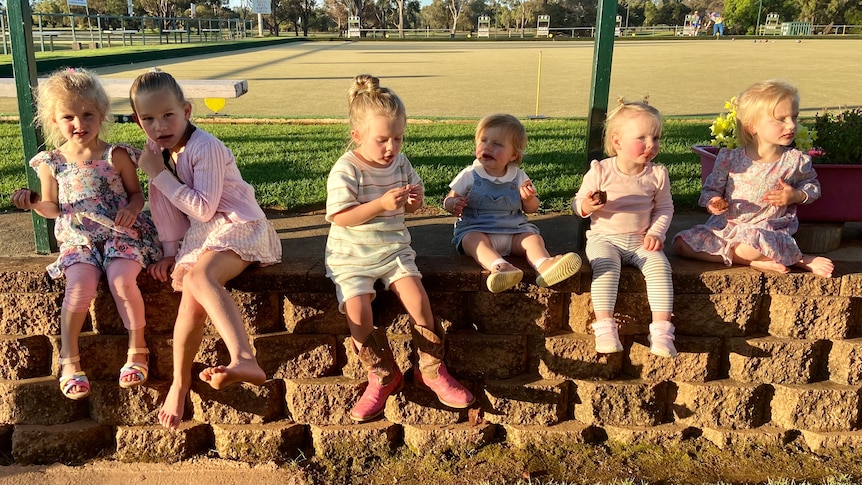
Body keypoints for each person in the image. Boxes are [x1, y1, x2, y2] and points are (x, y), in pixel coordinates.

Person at [130, 69, 282, 430]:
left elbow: (203, 207)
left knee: (201, 276)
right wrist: (171, 251)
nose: (160, 125)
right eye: (148, 118)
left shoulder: (206, 147)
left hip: (240, 226)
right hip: (203, 236)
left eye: (168, 115)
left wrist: (158, 174)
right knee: (189, 307)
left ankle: (244, 357)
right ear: (138, 121)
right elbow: (165, 207)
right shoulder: (157, 151)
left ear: (187, 110)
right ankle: (180, 384)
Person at [325, 74, 474, 422]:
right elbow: (341, 217)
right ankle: (382, 374)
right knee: (358, 312)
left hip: (393, 250)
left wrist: (413, 201)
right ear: (357, 136)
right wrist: (380, 204)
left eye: (398, 137)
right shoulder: (347, 168)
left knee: (418, 300)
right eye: (382, 140)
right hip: (352, 256)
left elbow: (410, 206)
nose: (392, 147)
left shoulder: (401, 164)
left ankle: (431, 369)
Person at [11, 67, 162, 399]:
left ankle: (137, 349)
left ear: (101, 114)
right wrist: (35, 203)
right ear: (54, 120)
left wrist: (132, 209)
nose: (79, 124)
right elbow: (52, 207)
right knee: (79, 287)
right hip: (79, 238)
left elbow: (137, 194)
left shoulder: (115, 155)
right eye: (68, 117)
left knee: (122, 280)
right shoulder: (52, 162)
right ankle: (69, 359)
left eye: (87, 114)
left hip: (120, 234)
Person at [673, 80, 833, 279]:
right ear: (751, 127)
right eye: (781, 119)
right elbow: (711, 189)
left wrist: (796, 195)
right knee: (681, 243)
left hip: (765, 231)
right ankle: (755, 262)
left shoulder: (794, 161)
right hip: (726, 228)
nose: (791, 125)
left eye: (794, 117)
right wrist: (713, 202)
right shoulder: (730, 158)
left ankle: (801, 259)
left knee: (752, 247)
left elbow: (813, 187)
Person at [573, 101, 677, 358]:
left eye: (656, 137)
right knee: (606, 267)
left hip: (641, 239)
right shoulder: (601, 170)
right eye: (641, 138)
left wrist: (655, 233)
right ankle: (605, 326)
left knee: (661, 268)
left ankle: (662, 330)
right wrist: (587, 205)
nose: (651, 144)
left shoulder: (657, 175)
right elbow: (578, 202)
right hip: (604, 238)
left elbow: (665, 208)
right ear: (617, 142)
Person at [444, 113, 581, 293]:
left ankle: (544, 265)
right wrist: (453, 204)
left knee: (532, 239)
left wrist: (529, 199)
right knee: (473, 241)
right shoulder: (470, 174)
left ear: (513, 154)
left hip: (514, 231)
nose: (488, 147)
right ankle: (500, 267)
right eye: (483, 141)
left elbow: (532, 209)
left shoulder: (519, 177)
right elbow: (447, 200)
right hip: (477, 228)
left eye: (497, 144)